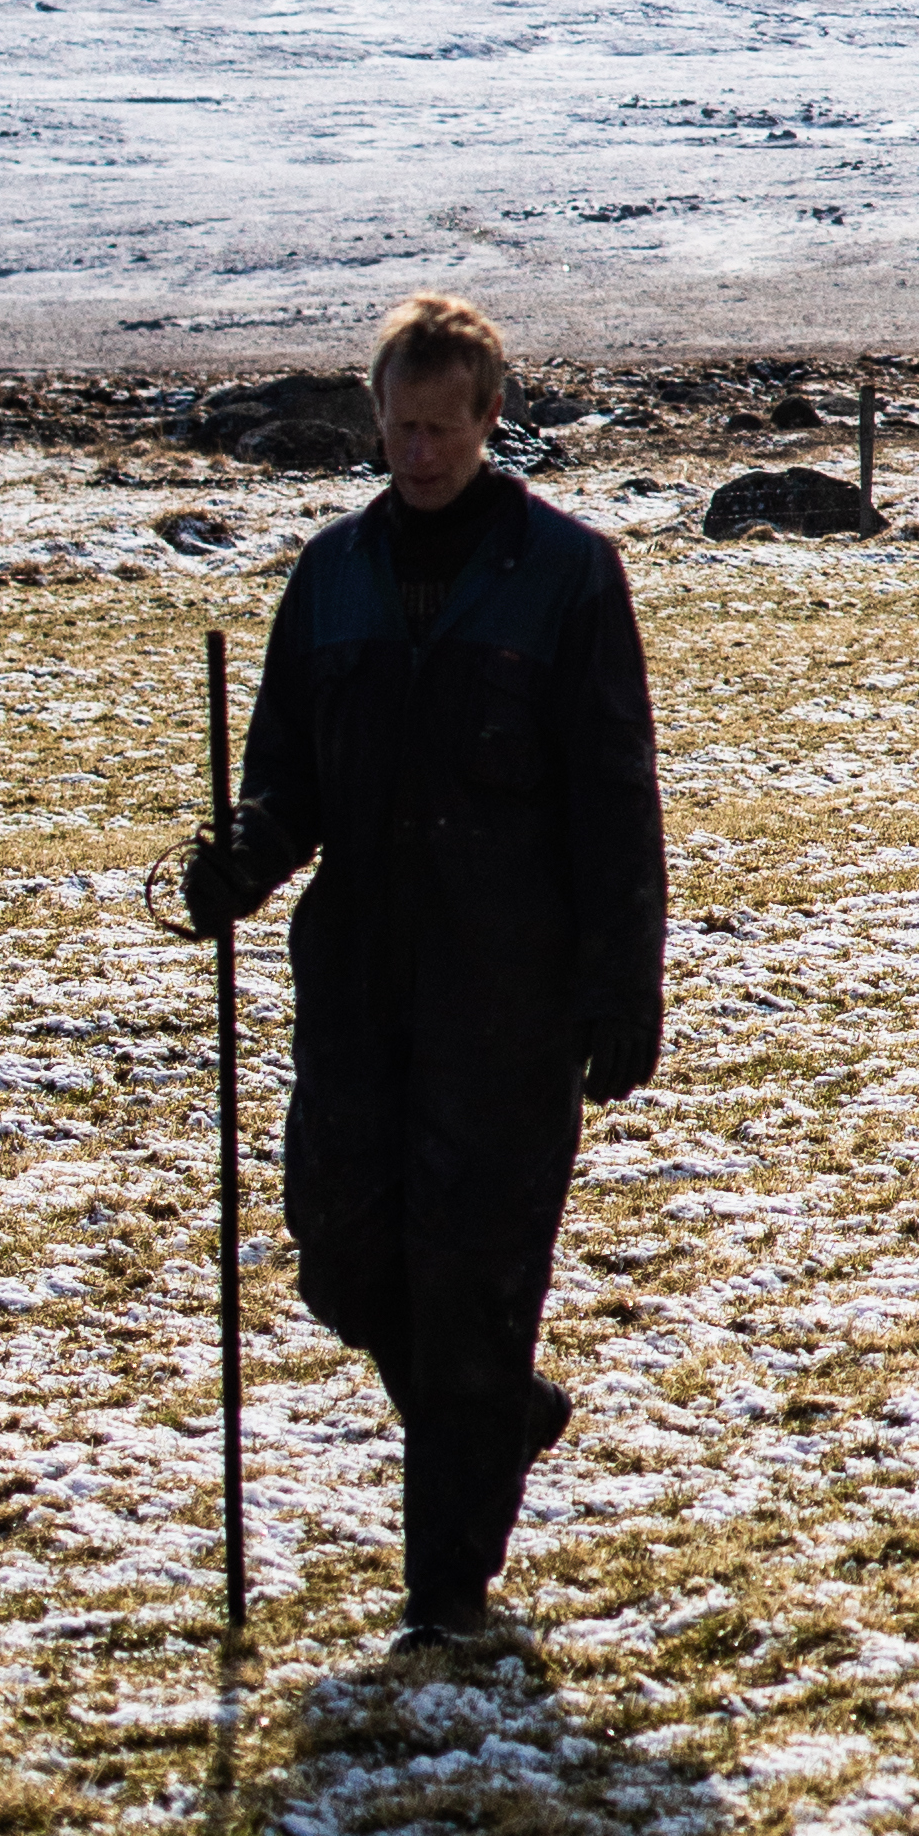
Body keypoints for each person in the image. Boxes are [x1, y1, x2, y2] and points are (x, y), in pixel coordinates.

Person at [173, 293, 665, 1646]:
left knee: (476, 1282)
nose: (422, 453)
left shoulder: (567, 577)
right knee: (342, 1256)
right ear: (375, 421)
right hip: (360, 982)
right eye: (400, 429)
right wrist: (239, 862)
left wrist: (627, 981)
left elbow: (615, 793)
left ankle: (447, 1593)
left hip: (512, 988)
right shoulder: (329, 577)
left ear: (491, 420)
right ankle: (498, 1416)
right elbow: (288, 783)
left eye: (445, 429)